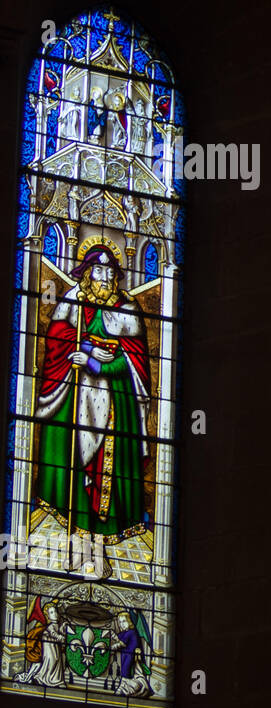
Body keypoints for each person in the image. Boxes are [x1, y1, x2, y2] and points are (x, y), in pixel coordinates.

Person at [32, 243, 151, 580]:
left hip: (116, 403)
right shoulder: (73, 300)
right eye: (97, 271)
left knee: (105, 476)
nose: (103, 277)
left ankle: (101, 553)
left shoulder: (128, 309)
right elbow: (56, 337)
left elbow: (134, 362)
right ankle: (74, 549)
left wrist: (98, 363)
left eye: (109, 272)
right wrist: (79, 347)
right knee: (74, 474)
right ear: (85, 273)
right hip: (74, 398)